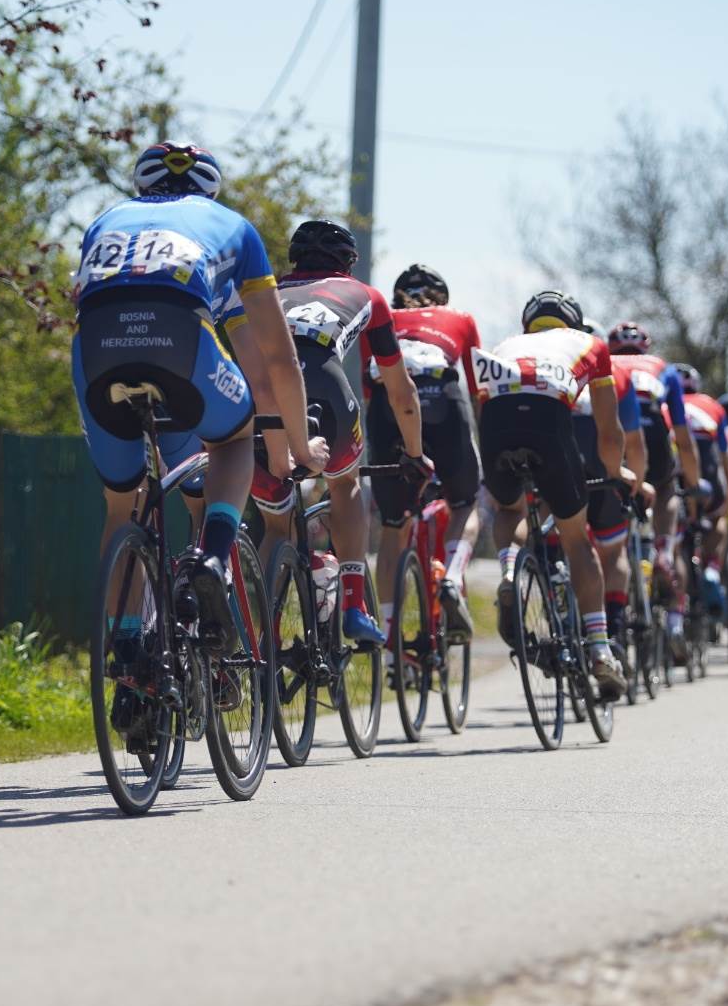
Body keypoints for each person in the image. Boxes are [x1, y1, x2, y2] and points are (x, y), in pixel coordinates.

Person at [71, 141, 320, 674]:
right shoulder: (232, 227)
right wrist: (300, 448)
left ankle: (126, 645)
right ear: (210, 188)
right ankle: (211, 557)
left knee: (122, 507)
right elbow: (278, 358)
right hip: (179, 339)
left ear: (142, 186)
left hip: (95, 350)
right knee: (232, 438)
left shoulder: (107, 220)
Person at [246, 220, 428, 646]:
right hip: (326, 393)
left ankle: (261, 647)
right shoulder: (366, 296)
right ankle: (352, 602)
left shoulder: (262, 291)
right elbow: (401, 391)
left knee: (276, 529)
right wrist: (415, 453)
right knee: (345, 484)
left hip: (259, 400)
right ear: (348, 263)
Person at [476, 292, 628, 696]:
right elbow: (609, 431)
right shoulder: (591, 345)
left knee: (509, 510)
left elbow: (483, 409)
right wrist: (615, 473)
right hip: (550, 423)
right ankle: (599, 649)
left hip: (497, 426)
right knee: (577, 539)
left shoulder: (504, 345)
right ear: (574, 322)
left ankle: (509, 568)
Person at [365, 263, 484, 639]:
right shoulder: (459, 318)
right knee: (465, 503)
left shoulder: (381, 318)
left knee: (392, 526)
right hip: (442, 397)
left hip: (389, 403)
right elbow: (477, 384)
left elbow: (369, 389)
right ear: (442, 298)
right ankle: (451, 576)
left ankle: (387, 638)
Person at [606, 321, 702, 658]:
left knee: (612, 504)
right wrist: (692, 483)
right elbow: (683, 436)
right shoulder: (665, 369)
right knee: (666, 491)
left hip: (615, 439)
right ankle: (662, 546)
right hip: (656, 443)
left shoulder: (605, 362)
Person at [578, 315, 647, 651]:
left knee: (561, 539)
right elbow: (632, 441)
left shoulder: (544, 364)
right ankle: (614, 629)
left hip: (557, 459)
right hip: (603, 466)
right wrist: (635, 481)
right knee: (612, 549)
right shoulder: (616, 372)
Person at [675, 363, 728, 621]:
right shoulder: (712, 405)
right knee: (717, 519)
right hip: (709, 472)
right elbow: (724, 454)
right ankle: (712, 567)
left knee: (674, 537)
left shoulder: (665, 402)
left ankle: (675, 604)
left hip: (676, 471)